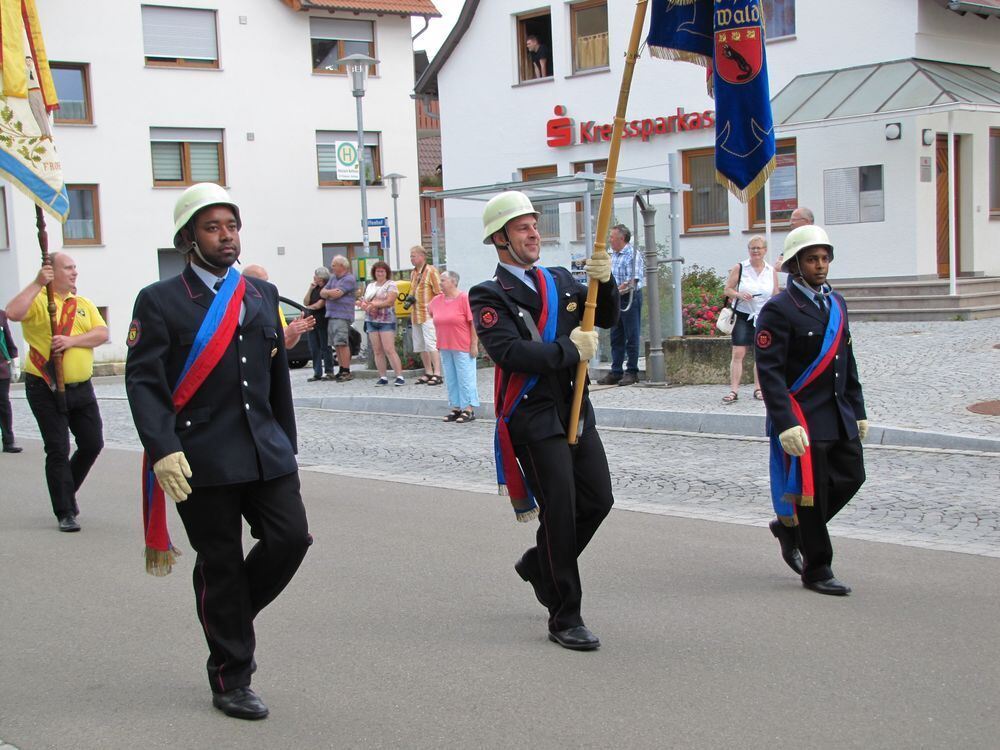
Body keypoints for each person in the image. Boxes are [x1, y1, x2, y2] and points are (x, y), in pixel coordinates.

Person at [125, 183, 311, 720]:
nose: (226, 236)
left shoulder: (260, 294)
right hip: (199, 456)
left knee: (290, 538)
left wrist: (287, 446)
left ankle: (225, 615)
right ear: (189, 238)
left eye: (231, 226)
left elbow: (276, 376)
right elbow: (144, 382)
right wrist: (161, 448)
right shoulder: (159, 300)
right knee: (222, 563)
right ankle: (231, 676)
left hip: (264, 450)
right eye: (213, 227)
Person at [470, 190, 618, 651]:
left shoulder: (558, 279)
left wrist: (606, 281)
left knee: (597, 499)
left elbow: (606, 317)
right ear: (499, 239)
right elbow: (509, 353)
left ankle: (539, 563)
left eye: (534, 225)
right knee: (560, 512)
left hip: (576, 407)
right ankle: (564, 614)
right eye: (522, 227)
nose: (533, 233)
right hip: (533, 415)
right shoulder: (489, 294)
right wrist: (569, 350)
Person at [755, 224, 867, 597]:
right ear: (795, 265)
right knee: (813, 493)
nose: (821, 266)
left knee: (852, 476)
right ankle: (817, 568)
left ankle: (791, 530)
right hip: (803, 417)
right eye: (812, 259)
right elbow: (769, 373)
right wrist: (785, 422)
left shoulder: (836, 303)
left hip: (837, 412)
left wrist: (859, 409)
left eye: (824, 258)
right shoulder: (779, 309)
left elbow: (846, 361)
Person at [5, 252, 107, 532]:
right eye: (68, 268)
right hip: (44, 385)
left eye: (75, 267)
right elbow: (12, 312)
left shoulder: (82, 304)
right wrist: (38, 283)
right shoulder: (39, 301)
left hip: (81, 387)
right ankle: (65, 511)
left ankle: (65, 490)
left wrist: (72, 340)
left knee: (92, 442)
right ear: (51, 271)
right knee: (58, 448)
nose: (75, 272)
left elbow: (101, 333)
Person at [721, 235, 778, 405]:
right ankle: (734, 390)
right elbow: (727, 289)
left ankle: (758, 388)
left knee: (760, 353)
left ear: (765, 250)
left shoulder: (771, 270)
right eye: (752, 248)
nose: (755, 251)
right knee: (738, 352)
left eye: (759, 248)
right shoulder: (740, 267)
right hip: (744, 315)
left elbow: (775, 293)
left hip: (764, 316)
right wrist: (739, 294)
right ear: (749, 250)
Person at [597, 224, 645, 387]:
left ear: (622, 238)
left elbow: (634, 279)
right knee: (616, 336)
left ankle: (632, 371)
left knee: (632, 335)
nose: (610, 240)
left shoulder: (633, 255)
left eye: (612, 237)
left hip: (629, 298)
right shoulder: (612, 255)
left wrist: (618, 290)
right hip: (615, 299)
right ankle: (616, 371)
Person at [429, 270, 479, 423]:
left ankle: (468, 409)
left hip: (462, 345)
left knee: (465, 377)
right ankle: (456, 407)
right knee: (451, 378)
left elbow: (473, 323)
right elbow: (432, 314)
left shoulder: (464, 298)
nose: (440, 283)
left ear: (453, 282)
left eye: (443, 280)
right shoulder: (436, 301)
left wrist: (474, 344)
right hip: (445, 344)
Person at [242, 264, 314, 350]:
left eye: (267, 281)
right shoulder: (240, 305)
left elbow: (287, 344)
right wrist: (287, 332)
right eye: (263, 282)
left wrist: (296, 332)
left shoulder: (273, 305)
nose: (267, 286)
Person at [358, 260, 405, 386]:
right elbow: (364, 301)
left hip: (386, 320)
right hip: (371, 319)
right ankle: (383, 376)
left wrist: (373, 304)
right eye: (378, 271)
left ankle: (399, 375)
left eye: (382, 271)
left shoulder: (391, 285)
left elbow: (390, 301)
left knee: (389, 349)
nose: (380, 273)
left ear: (386, 273)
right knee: (377, 350)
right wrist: (364, 305)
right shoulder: (370, 286)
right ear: (374, 273)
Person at [409, 245, 443, 386]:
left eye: (413, 256)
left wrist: (435, 310)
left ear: (422, 256)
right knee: (420, 345)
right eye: (411, 256)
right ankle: (428, 371)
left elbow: (439, 292)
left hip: (428, 314)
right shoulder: (413, 273)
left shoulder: (431, 271)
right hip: (415, 314)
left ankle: (437, 373)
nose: (411, 258)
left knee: (431, 344)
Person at [320, 255, 357, 381]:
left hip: (342, 315)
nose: (332, 267)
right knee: (336, 344)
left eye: (334, 265)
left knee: (342, 342)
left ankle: (346, 370)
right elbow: (322, 292)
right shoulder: (333, 278)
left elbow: (338, 294)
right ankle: (341, 369)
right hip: (331, 315)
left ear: (342, 266)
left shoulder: (349, 279)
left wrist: (329, 294)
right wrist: (330, 293)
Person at [303, 266, 333, 381]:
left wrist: (308, 308)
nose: (314, 277)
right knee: (314, 348)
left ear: (321, 278)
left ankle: (329, 371)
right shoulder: (315, 289)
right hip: (312, 322)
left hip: (323, 321)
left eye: (315, 275)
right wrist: (310, 289)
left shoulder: (326, 289)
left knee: (325, 347)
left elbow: (319, 305)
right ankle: (317, 372)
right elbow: (305, 301)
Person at [0, 309, 22, 453]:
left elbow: (8, 339)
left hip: (1, 368)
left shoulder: (1, 315)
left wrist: (15, 363)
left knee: (3, 404)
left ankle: (8, 441)